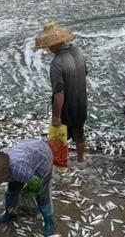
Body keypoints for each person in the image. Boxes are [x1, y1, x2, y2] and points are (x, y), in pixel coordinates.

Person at [0, 139, 55, 237]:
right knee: (12, 190)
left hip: (42, 156)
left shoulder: (17, 169)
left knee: (41, 194)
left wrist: (27, 192)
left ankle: (49, 221)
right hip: (26, 154)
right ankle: (10, 213)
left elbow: (36, 183)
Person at [34, 22, 88, 166]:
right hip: (82, 102)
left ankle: (60, 162)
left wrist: (56, 116)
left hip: (67, 107)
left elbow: (59, 92)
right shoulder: (77, 52)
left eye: (49, 46)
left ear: (54, 44)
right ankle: (81, 160)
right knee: (79, 131)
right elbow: (85, 73)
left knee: (59, 134)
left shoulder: (57, 63)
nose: (48, 49)